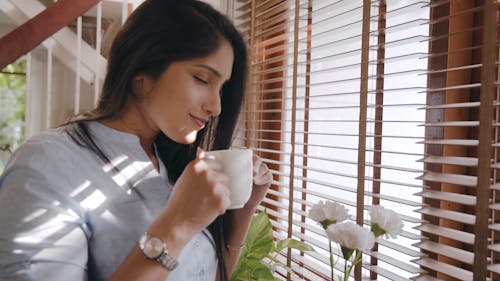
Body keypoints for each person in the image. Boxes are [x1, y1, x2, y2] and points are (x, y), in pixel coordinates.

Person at [0, 1, 272, 280]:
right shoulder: (48, 164)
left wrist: (243, 211)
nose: (216, 107)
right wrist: (175, 227)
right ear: (141, 72)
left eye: (222, 87)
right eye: (202, 79)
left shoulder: (170, 161)